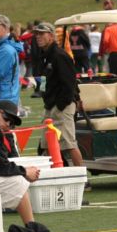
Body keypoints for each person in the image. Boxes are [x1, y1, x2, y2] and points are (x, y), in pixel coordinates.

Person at [34, 22, 85, 173]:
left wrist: (61, 105)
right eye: (37, 34)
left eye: (42, 33)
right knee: (46, 144)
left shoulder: (59, 55)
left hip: (61, 105)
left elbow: (69, 83)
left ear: (51, 36)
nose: (38, 37)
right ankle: (53, 176)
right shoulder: (46, 55)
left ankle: (83, 177)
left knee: (69, 144)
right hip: (51, 105)